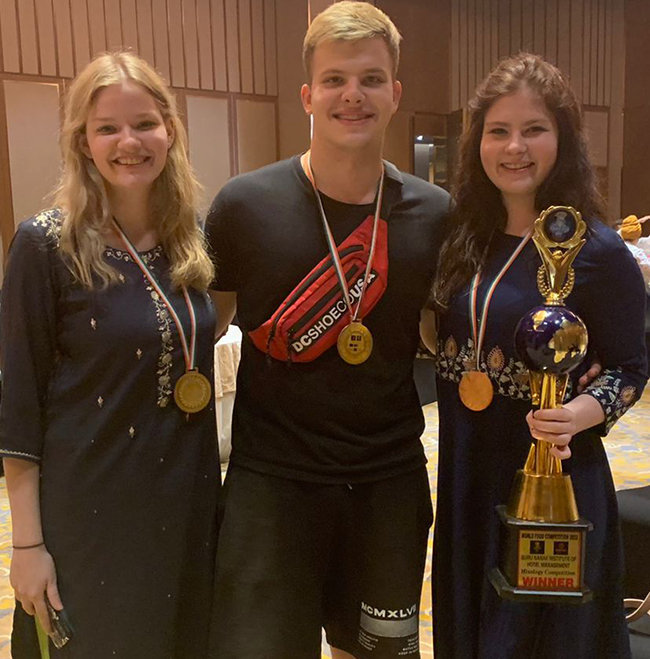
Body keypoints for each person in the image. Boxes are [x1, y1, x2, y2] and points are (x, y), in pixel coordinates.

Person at [205, 3, 450, 658]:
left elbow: (444, 336)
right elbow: (202, 330)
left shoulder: (435, 214)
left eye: (371, 79)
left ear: (395, 93)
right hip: (271, 483)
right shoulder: (243, 205)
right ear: (307, 95)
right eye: (335, 79)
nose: (353, 95)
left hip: (387, 483)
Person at [426, 53, 648, 658]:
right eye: (498, 130)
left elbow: (631, 369)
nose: (514, 147)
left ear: (564, 139)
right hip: (468, 467)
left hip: (553, 479)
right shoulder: (460, 238)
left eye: (534, 130)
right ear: (477, 142)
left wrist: (577, 414)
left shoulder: (597, 251)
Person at [0, 52, 220, 658]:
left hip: (185, 499)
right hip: (91, 510)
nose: (130, 142)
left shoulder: (191, 239)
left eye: (145, 123)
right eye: (108, 128)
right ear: (83, 142)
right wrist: (27, 547)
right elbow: (18, 409)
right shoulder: (45, 246)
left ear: (169, 131)